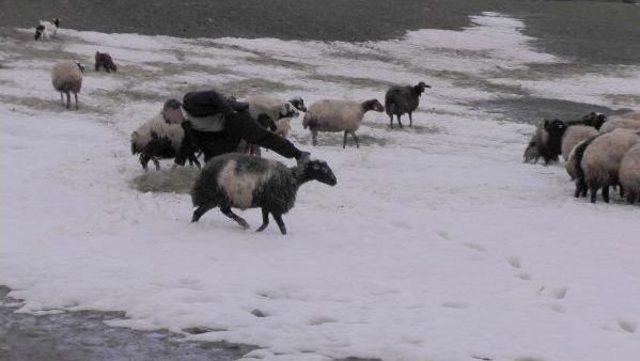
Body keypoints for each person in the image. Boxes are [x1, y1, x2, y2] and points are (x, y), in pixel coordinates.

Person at [170, 89, 310, 164]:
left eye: (168, 117)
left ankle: (299, 155)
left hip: (236, 116)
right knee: (213, 158)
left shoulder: (190, 101)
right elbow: (187, 143)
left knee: (261, 137)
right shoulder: (186, 124)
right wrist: (179, 163)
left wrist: (230, 114)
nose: (169, 121)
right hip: (226, 131)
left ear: (174, 110)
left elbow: (213, 95)